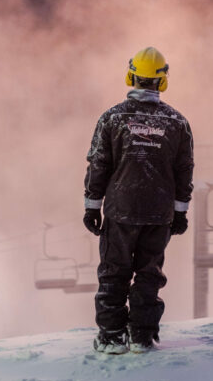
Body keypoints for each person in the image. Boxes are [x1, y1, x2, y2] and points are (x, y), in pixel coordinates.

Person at [83, 47, 194, 354]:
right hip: (159, 215)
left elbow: (98, 164)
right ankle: (142, 337)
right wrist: (180, 212)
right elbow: (184, 172)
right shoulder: (177, 123)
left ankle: (112, 337)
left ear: (131, 76)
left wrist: (92, 207)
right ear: (162, 81)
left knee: (113, 273)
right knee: (149, 274)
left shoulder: (112, 118)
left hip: (120, 211)